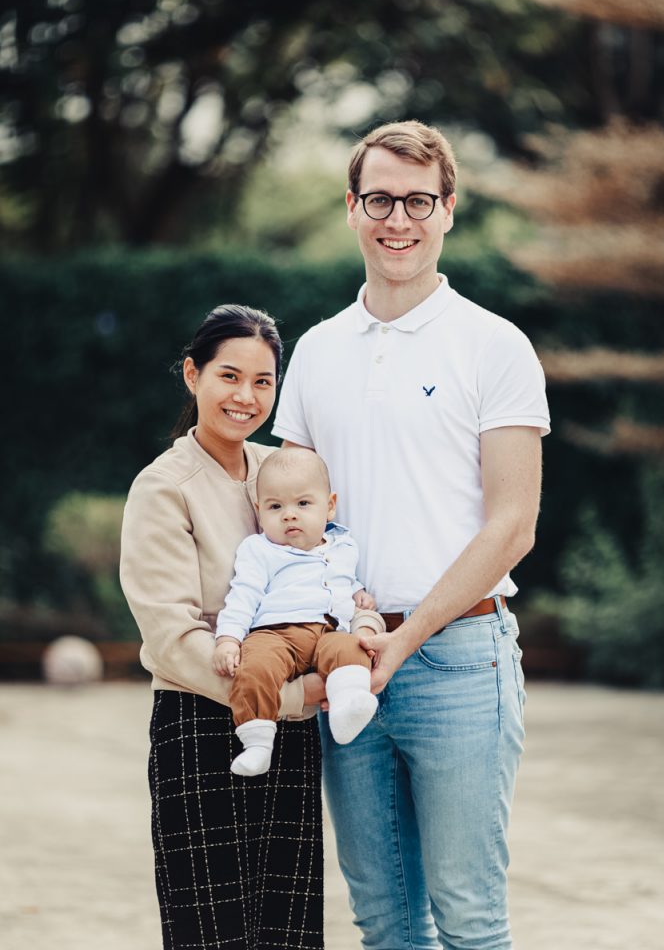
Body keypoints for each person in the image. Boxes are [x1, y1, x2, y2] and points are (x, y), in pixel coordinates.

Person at [272, 121, 551, 950]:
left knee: (468, 917)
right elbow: (295, 519)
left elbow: (514, 525)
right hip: (348, 663)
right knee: (387, 922)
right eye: (382, 199)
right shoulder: (317, 352)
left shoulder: (494, 345)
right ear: (353, 209)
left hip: (461, 661)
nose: (401, 220)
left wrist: (409, 636)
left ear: (449, 210)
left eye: (419, 201)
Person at [119, 304, 384, 950]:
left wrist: (361, 615)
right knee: (212, 931)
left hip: (289, 734)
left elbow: (333, 558)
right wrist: (295, 697)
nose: (245, 397)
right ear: (192, 375)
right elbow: (173, 642)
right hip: (202, 724)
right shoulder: (164, 488)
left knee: (288, 928)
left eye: (262, 381)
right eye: (229, 376)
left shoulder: (281, 473)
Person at [213, 446, 380, 776]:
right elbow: (243, 594)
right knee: (255, 667)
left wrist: (358, 593)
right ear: (260, 512)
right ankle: (258, 741)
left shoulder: (343, 546)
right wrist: (228, 638)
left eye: (303, 504)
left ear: (329, 507)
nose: (289, 514)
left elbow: (343, 579)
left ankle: (348, 704)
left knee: (351, 648)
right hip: (275, 633)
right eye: (276, 506)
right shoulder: (260, 550)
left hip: (328, 631)